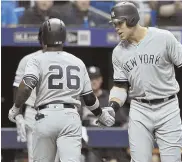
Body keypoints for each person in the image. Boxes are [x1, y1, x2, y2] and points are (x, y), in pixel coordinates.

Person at [107, 2, 182, 162]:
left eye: (120, 23)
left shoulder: (163, 37)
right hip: (139, 108)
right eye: (114, 24)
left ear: (132, 19)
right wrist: (113, 107)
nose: (116, 28)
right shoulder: (118, 52)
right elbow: (120, 85)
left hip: (168, 107)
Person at [8, 18, 115, 162]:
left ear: (42, 37)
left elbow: (26, 87)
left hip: (44, 115)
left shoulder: (36, 60)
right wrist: (100, 115)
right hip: (70, 116)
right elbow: (89, 98)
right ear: (64, 37)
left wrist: (15, 109)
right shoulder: (77, 61)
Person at [12, 26, 43, 162]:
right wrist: (17, 113)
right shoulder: (28, 59)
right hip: (34, 112)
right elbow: (18, 87)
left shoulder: (69, 60)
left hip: (60, 112)